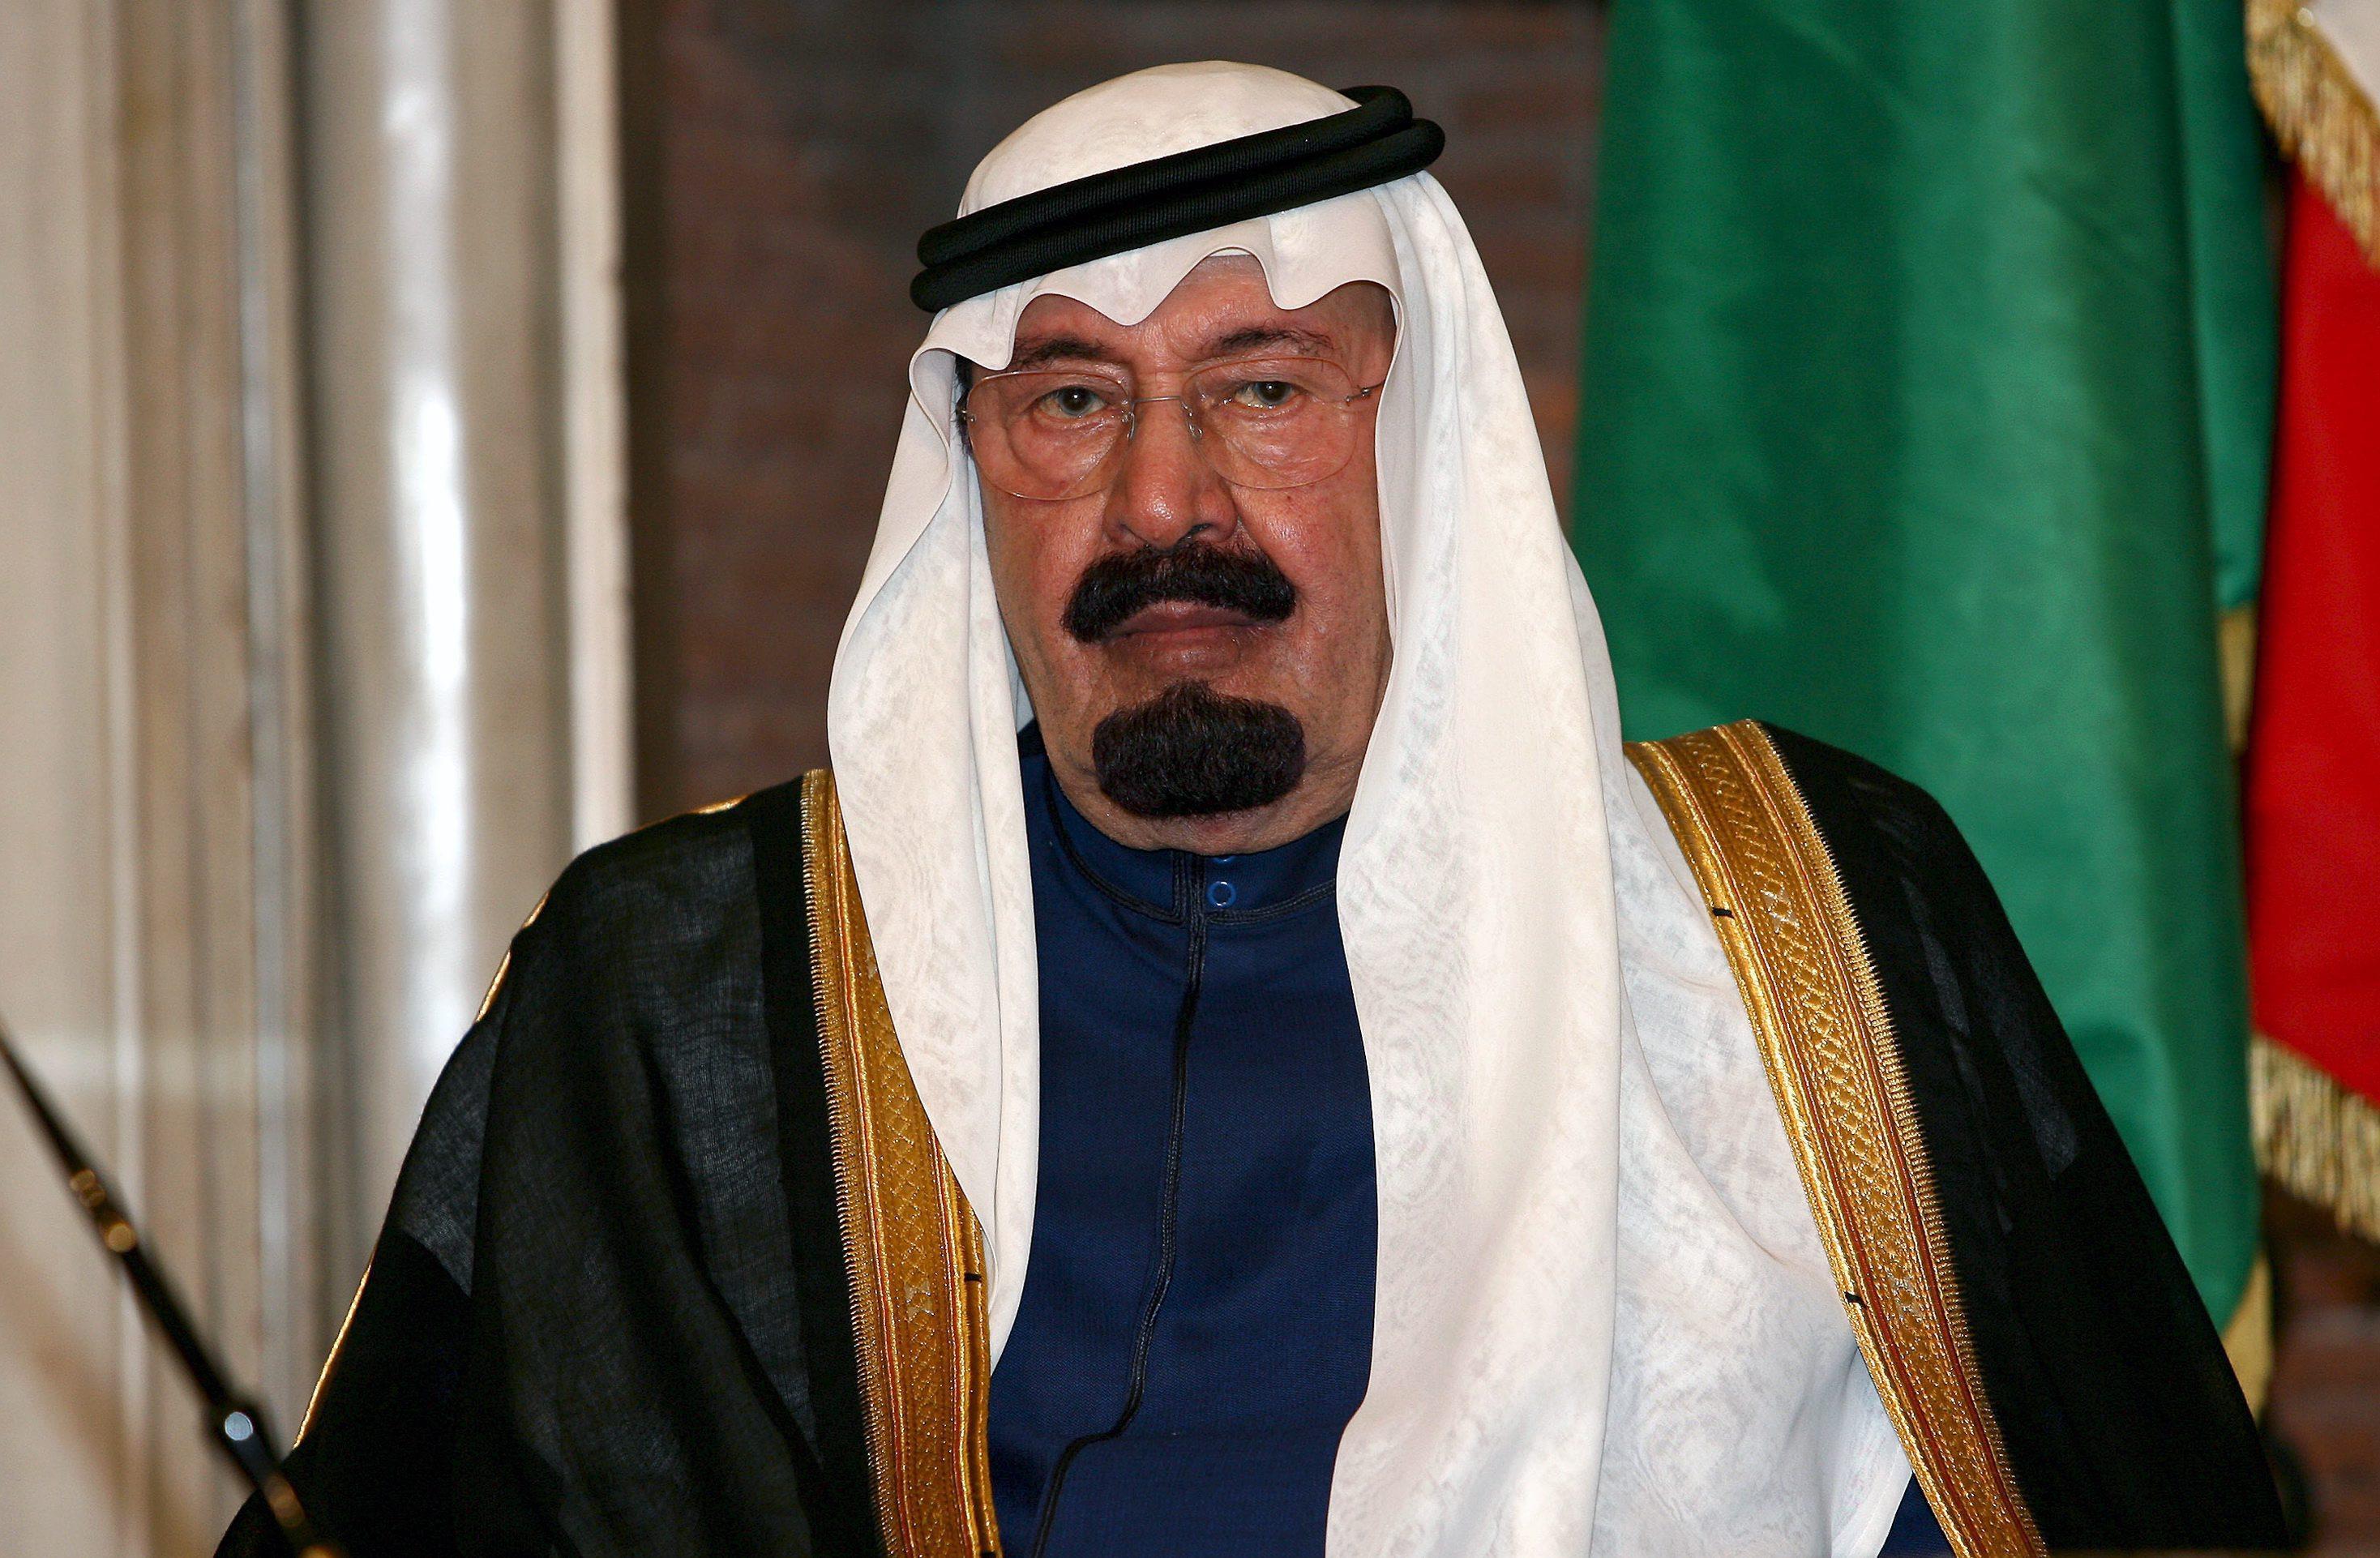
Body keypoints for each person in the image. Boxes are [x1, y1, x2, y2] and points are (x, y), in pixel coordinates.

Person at [221, 62, 2284, 1558]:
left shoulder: (1813, 923)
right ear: (973, 466)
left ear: (1424, 439)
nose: (1161, 503)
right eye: (1069, 400)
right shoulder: (690, 1003)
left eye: (1265, 386)